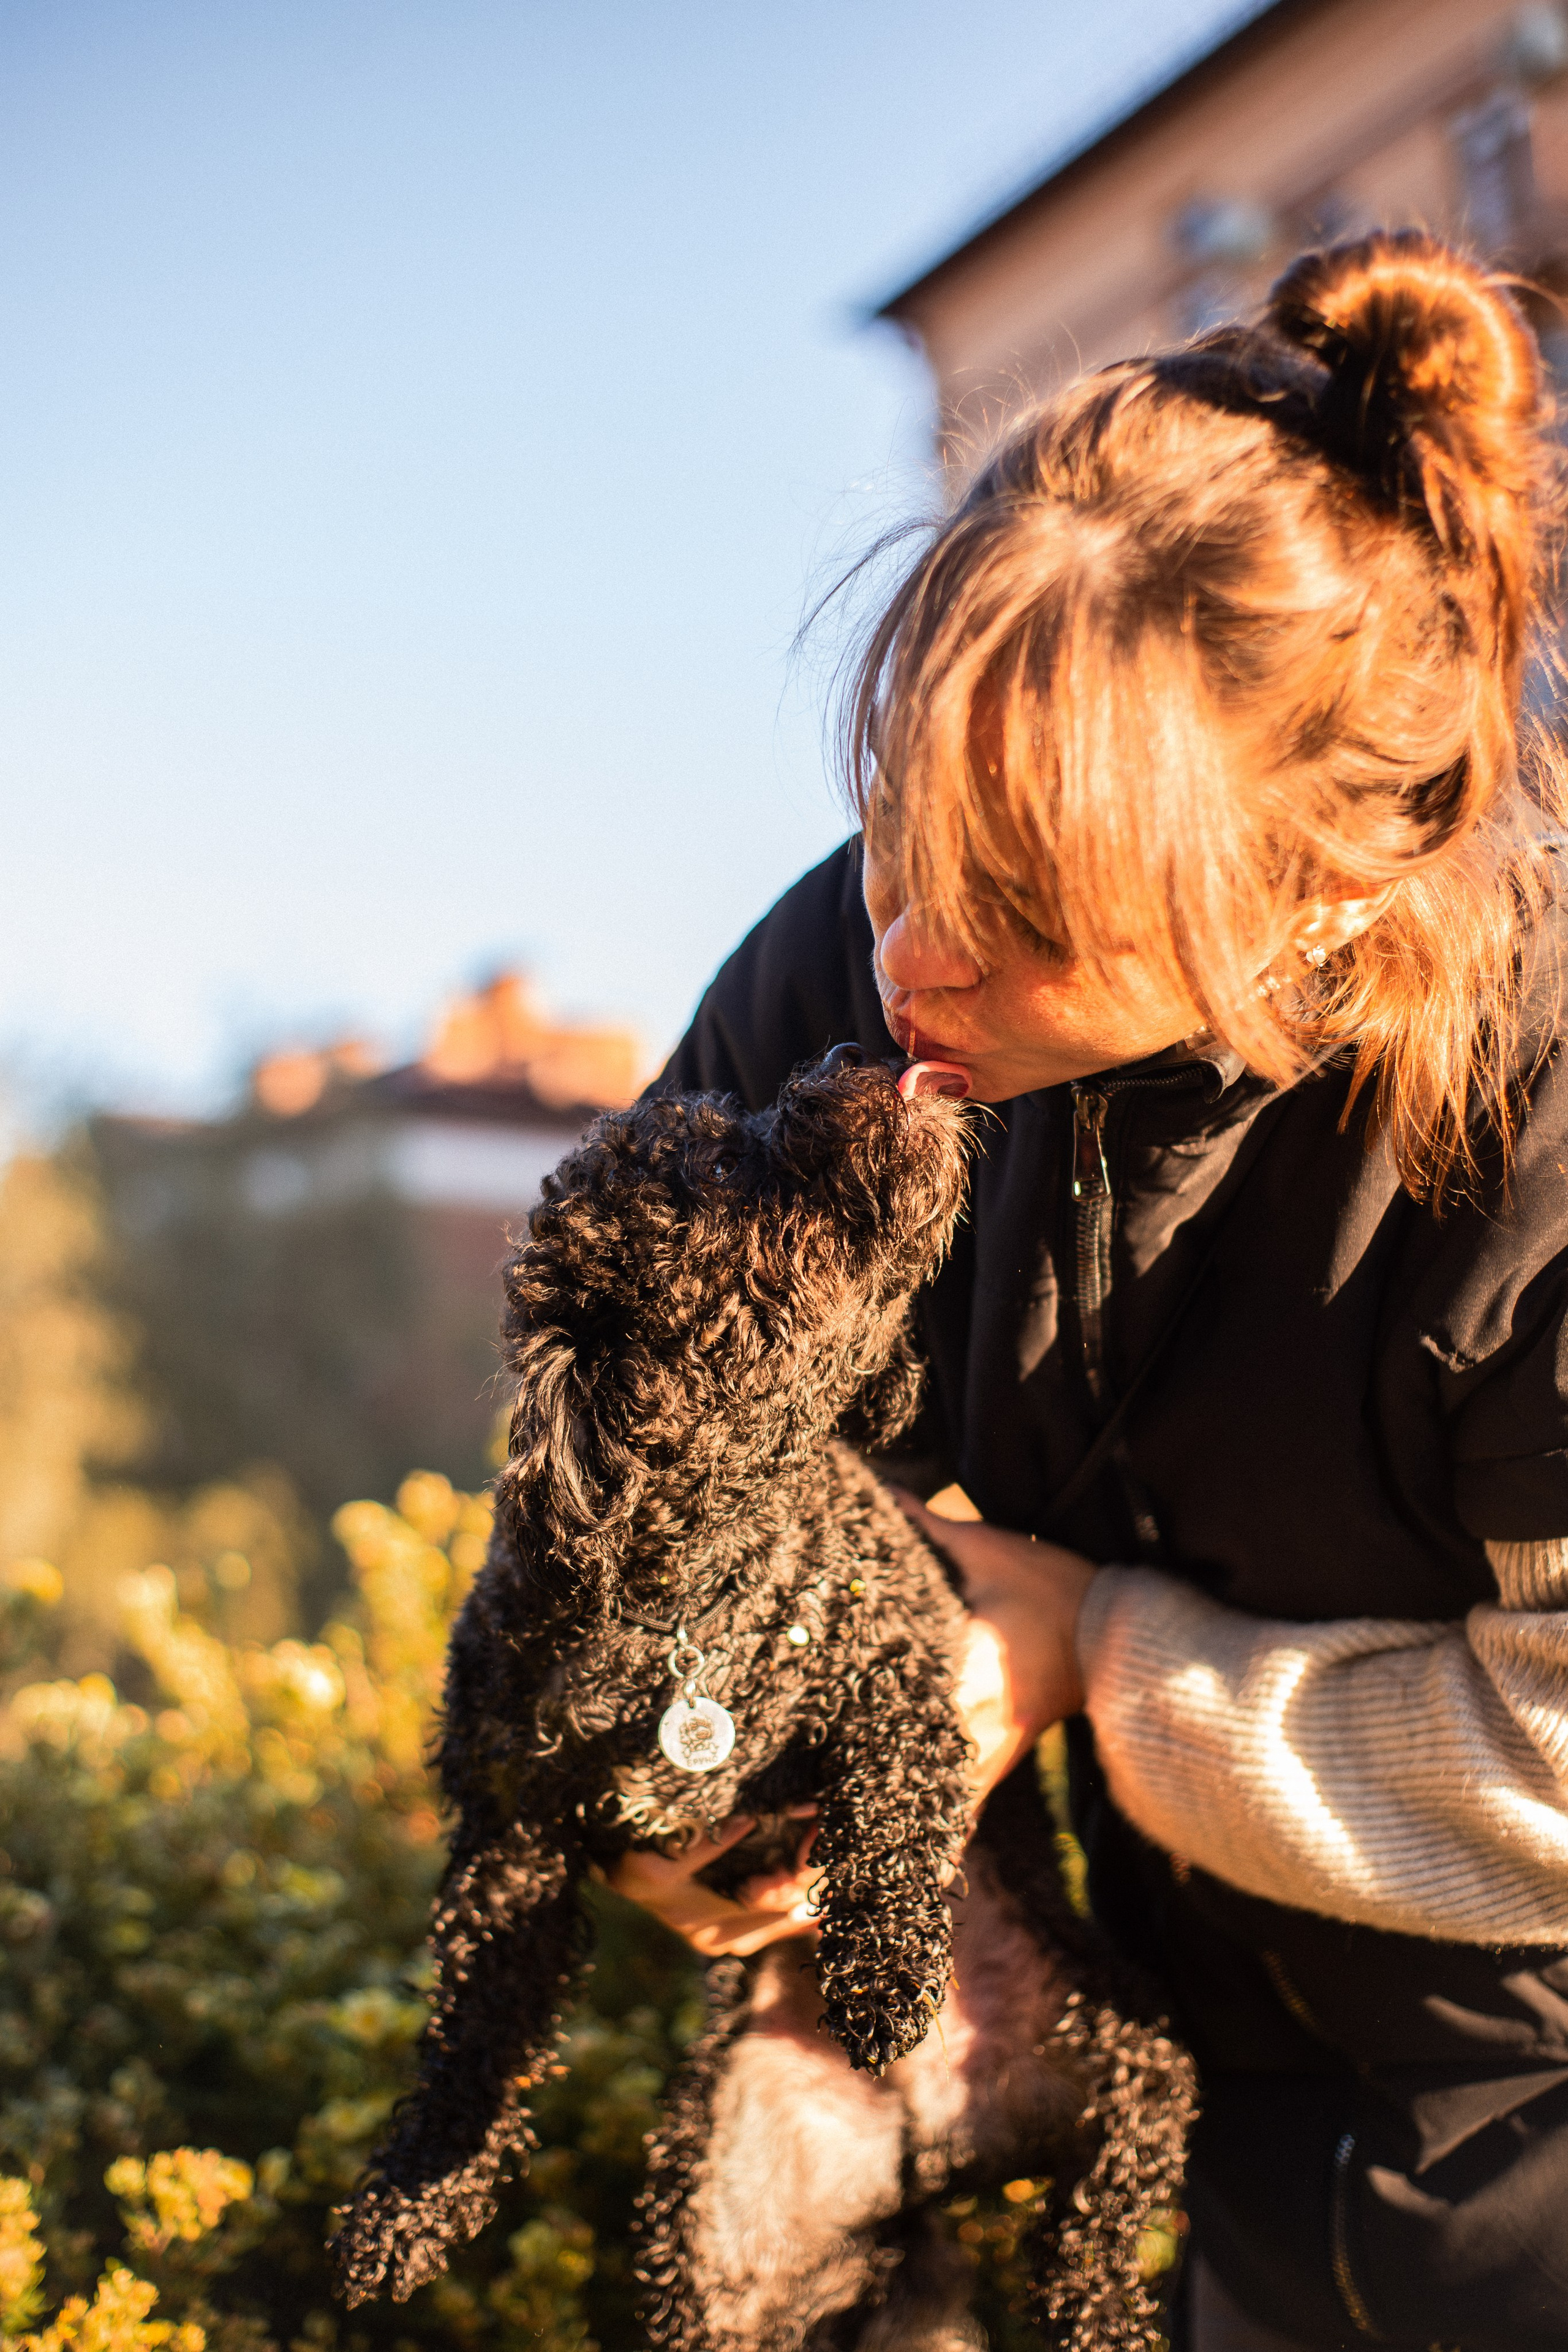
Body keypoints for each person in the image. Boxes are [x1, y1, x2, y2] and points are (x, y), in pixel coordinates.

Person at [611, 232, 1568, 2351]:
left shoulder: (1547, 1115)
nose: (907, 949)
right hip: (1180, 2121)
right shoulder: (855, 990)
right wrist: (682, 1773)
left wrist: (1098, 1659)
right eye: (899, 821)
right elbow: (631, 1481)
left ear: (1333, 888)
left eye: (1027, 900)